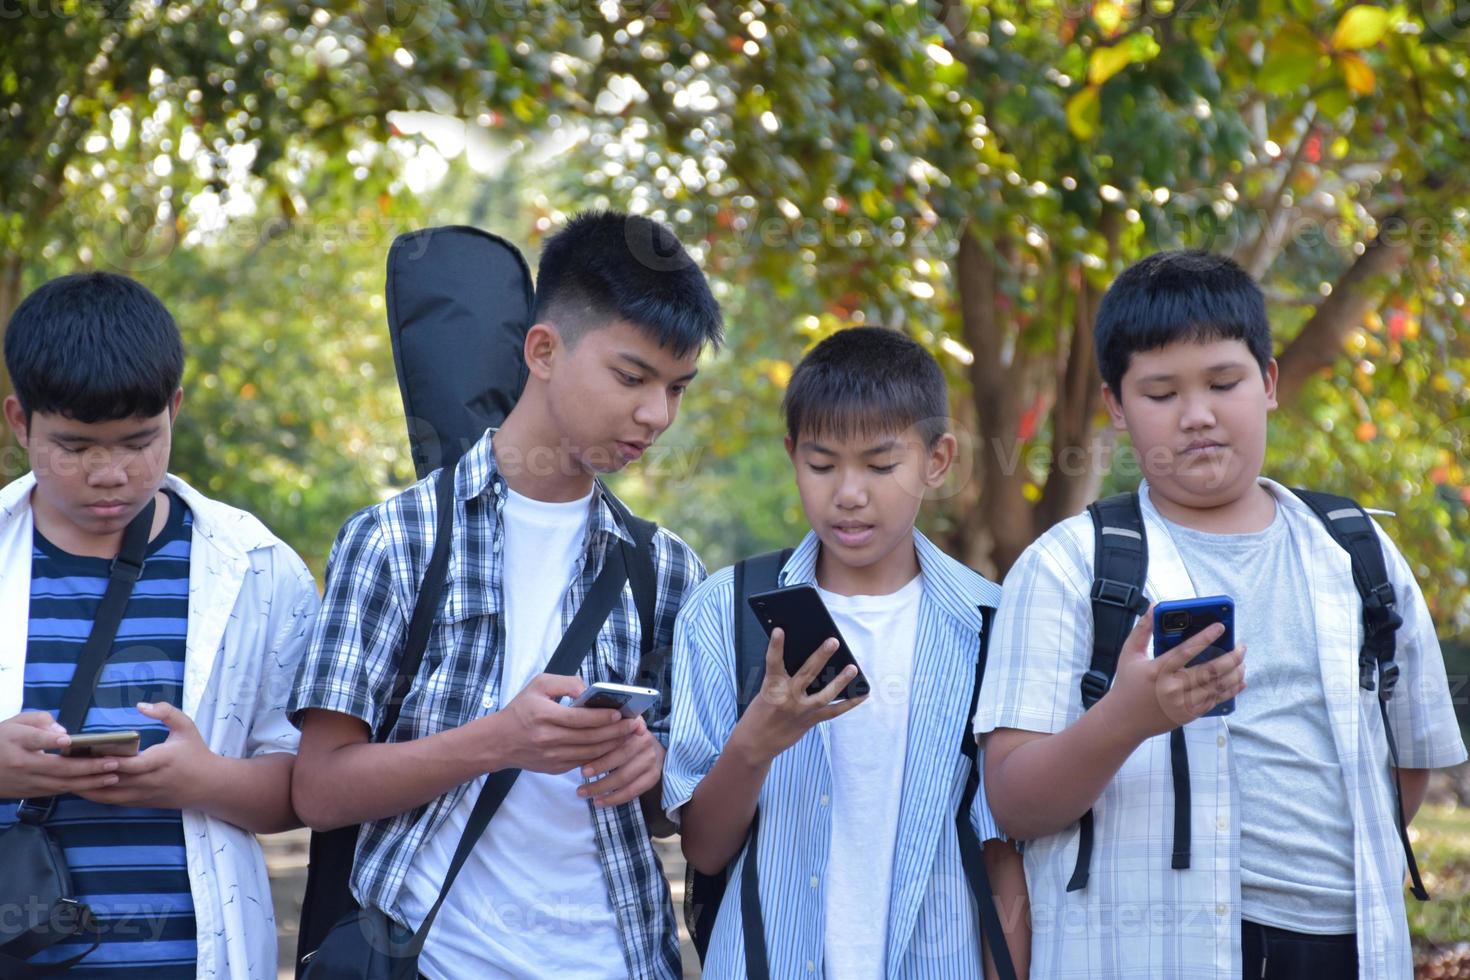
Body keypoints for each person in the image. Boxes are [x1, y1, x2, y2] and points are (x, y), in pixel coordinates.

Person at [976, 250, 1467, 978]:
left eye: (1223, 382)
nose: (1197, 415)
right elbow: (1012, 801)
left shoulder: (1358, 554)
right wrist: (1125, 719)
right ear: (1115, 405)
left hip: (1348, 944)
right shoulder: (1067, 568)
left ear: (1268, 382)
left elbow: (1405, 764)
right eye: (1161, 392)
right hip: (1150, 950)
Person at [289, 210, 723, 979]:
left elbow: (668, 817)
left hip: (620, 960)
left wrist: (651, 769)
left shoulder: (666, 569)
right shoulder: (395, 541)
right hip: (432, 961)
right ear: (544, 350)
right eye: (632, 377)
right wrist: (502, 739)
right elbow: (319, 789)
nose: (656, 415)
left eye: (677, 388)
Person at [664, 326, 1030, 979]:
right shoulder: (725, 613)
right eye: (823, 464)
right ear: (791, 455)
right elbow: (705, 849)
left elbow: (1003, 863)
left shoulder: (991, 626)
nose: (849, 493)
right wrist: (757, 741)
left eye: (881, 465)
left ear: (937, 460)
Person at [0, 271, 319, 977]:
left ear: (174, 408)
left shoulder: (259, 572)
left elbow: (311, 784)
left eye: (138, 440)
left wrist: (203, 780)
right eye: (76, 447)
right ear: (19, 421)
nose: (110, 473)